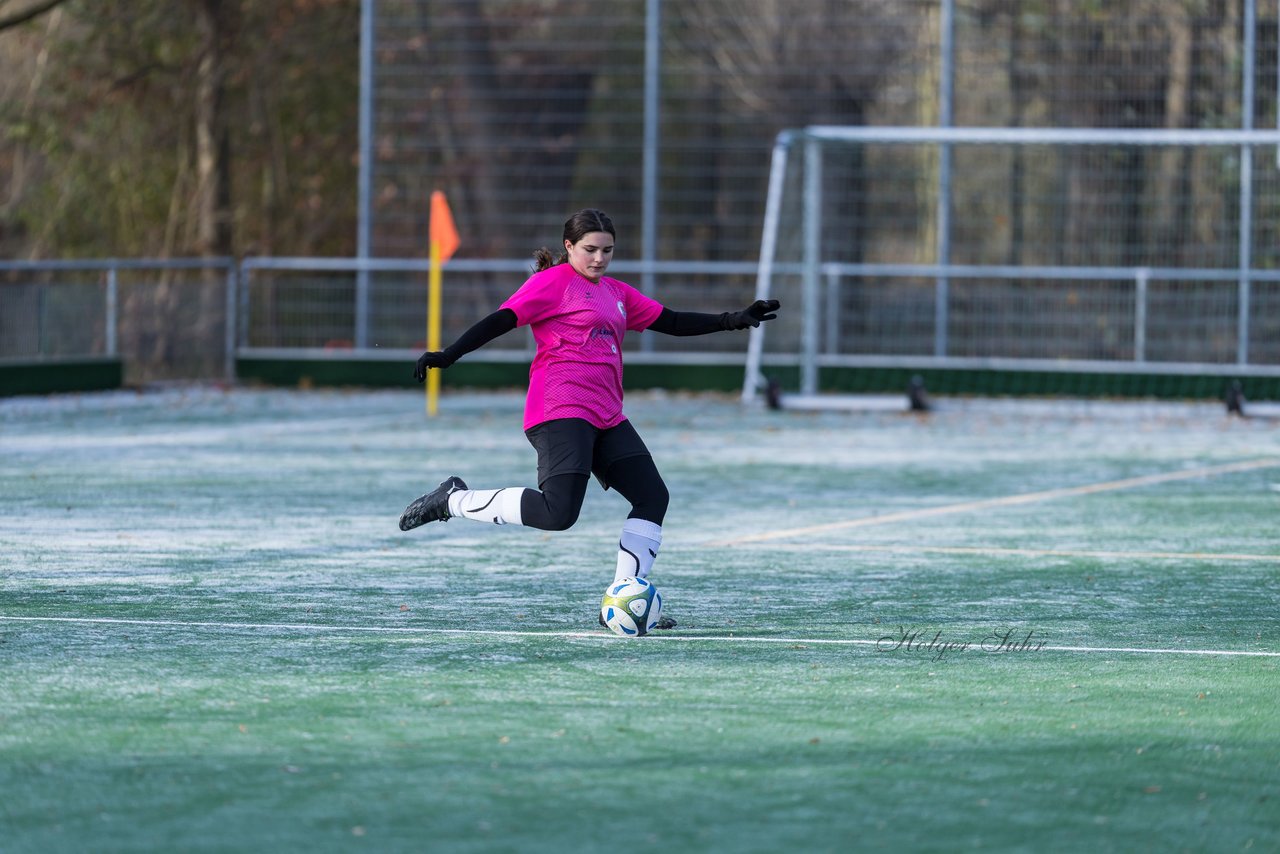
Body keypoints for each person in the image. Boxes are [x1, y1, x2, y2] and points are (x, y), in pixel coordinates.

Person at [399, 208, 780, 629]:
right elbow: (501, 321)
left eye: (607, 250)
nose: (599, 259)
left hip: (607, 414)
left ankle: (621, 599)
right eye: (590, 250)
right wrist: (449, 354)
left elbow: (670, 321)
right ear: (569, 247)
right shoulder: (551, 282)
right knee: (558, 514)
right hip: (559, 409)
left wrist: (734, 320)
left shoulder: (616, 292)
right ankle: (452, 500)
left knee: (653, 497)